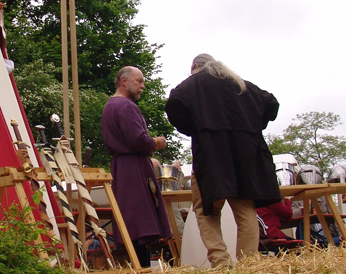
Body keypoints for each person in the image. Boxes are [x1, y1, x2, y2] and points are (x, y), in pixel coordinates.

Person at [165, 53, 281, 268]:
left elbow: (174, 104)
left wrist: (194, 127)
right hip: (245, 159)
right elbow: (271, 103)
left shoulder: (194, 84)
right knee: (245, 209)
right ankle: (248, 265)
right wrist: (251, 126)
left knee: (206, 210)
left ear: (197, 66)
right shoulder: (241, 85)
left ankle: (221, 263)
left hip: (211, 156)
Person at [101, 66, 172, 268]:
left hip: (122, 167)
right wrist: (157, 142)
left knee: (132, 220)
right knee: (139, 222)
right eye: (139, 81)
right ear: (124, 81)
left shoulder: (110, 106)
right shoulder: (126, 106)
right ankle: (142, 268)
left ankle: (138, 266)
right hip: (133, 169)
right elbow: (139, 140)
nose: (142, 86)